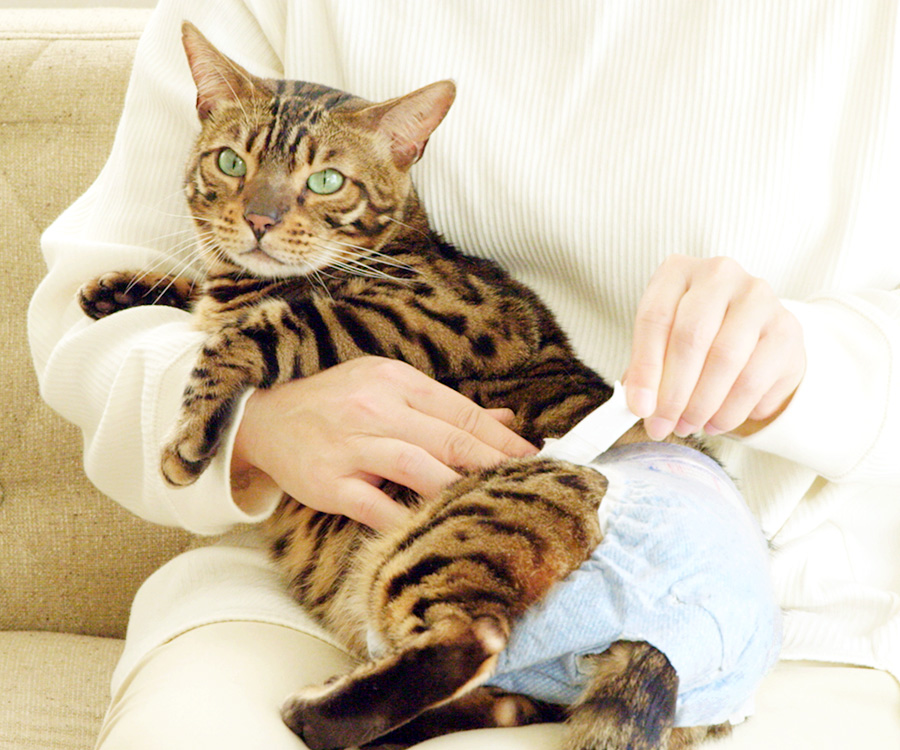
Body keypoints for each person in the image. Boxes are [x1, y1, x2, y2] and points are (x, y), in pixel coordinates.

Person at [28, 1, 900, 748]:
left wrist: (813, 365)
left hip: (790, 605)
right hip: (304, 594)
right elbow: (92, 307)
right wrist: (253, 423)